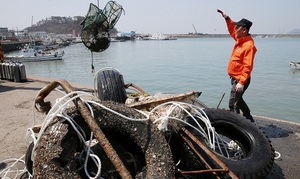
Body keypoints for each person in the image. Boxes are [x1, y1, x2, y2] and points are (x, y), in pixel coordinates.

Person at [217, 9, 257, 122]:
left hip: (240, 80)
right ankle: (248, 119)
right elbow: (231, 30)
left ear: (244, 30)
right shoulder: (240, 40)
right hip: (235, 78)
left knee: (233, 104)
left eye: (237, 27)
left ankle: (239, 124)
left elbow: (248, 66)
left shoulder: (249, 45)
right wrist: (227, 18)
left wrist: (241, 82)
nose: (235, 29)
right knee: (237, 101)